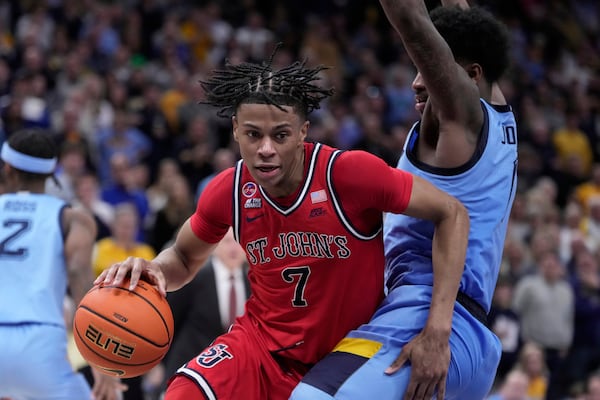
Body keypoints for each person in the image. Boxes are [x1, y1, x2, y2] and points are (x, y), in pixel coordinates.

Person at [95, 47, 470, 400]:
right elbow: (183, 257)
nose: (266, 149)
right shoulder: (229, 190)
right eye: (253, 135)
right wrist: (155, 270)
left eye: (281, 135)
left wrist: (439, 328)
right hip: (260, 346)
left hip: (346, 352)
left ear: (303, 133)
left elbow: (452, 213)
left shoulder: (348, 174)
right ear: (236, 131)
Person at [291, 0, 517, 399]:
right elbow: (463, 21)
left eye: (426, 68)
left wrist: (435, 334)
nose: (416, 81)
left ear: (469, 75)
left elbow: (412, 18)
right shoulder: (499, 111)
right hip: (470, 339)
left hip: (432, 324)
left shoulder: (458, 121)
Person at [0, 129, 125, 399]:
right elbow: (78, 276)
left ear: (7, 168)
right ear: (51, 173)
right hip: (38, 344)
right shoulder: (73, 219)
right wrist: (100, 362)